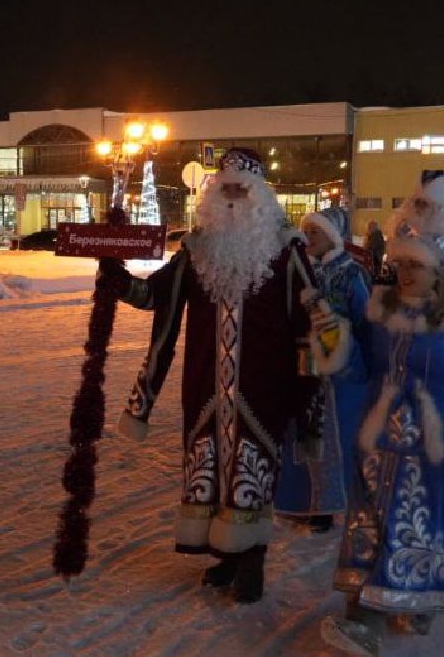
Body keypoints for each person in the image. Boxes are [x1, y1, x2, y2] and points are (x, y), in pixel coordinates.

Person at [103, 148, 320, 604]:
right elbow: (153, 295)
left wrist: (309, 403)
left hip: (263, 390)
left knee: (250, 470)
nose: (234, 197)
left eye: (243, 189)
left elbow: (310, 327)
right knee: (211, 470)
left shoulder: (286, 250)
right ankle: (225, 554)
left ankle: (252, 557)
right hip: (204, 388)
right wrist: (117, 280)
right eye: (226, 189)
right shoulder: (198, 248)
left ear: (261, 195)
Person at [321, 171, 444, 657]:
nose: (404, 274)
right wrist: (337, 342)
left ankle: (408, 600)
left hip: (436, 451)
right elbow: (359, 370)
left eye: (415, 267)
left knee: (422, 525)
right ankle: (364, 614)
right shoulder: (381, 313)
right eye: (399, 265)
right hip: (379, 445)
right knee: (371, 524)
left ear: (440, 270)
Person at [275, 206, 370, 532]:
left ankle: (327, 505)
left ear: (331, 236)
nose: (308, 237)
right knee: (302, 431)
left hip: (341, 374)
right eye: (306, 231)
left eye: (315, 232)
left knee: (333, 437)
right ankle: (301, 500)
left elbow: (363, 320)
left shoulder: (350, 273)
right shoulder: (301, 270)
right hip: (304, 365)